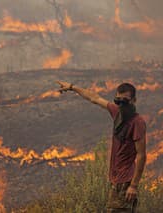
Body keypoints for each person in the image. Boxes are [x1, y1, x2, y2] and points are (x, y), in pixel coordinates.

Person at [56, 81, 146, 213]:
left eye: (125, 101)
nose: (121, 104)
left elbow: (141, 154)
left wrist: (133, 185)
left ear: (134, 100)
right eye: (117, 100)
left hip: (126, 180)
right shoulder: (117, 112)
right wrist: (72, 87)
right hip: (116, 178)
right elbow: (94, 98)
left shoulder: (137, 122)